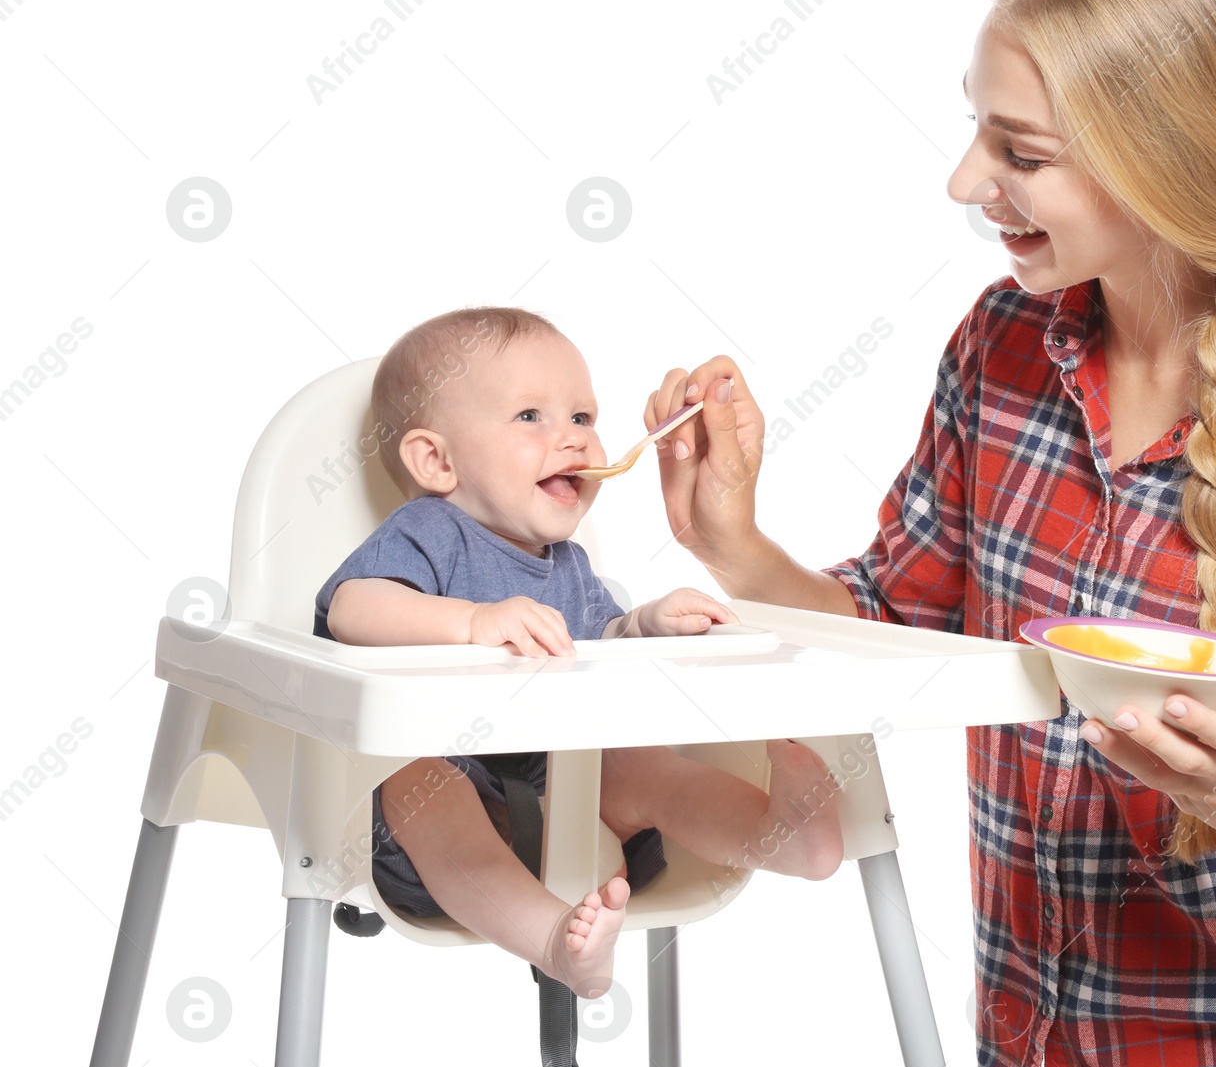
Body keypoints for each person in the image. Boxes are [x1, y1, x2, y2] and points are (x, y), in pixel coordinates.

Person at [641, 0, 1216, 1067]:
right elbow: (900, 627)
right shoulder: (1002, 349)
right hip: (1047, 1044)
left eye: (1019, 154)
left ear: (1166, 161)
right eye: (977, 133)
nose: (963, 181)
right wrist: (735, 546)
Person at [313, 306, 844, 999]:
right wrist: (472, 621)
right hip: (429, 845)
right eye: (531, 416)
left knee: (642, 763)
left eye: (583, 417)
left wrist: (646, 624)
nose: (571, 439)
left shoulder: (566, 564)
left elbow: (598, 645)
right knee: (421, 785)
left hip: (570, 820)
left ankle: (778, 834)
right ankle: (553, 944)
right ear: (436, 460)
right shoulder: (429, 532)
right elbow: (352, 607)